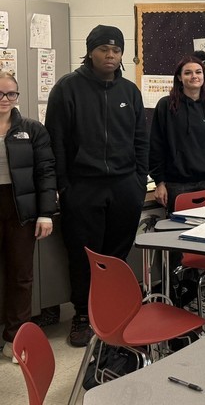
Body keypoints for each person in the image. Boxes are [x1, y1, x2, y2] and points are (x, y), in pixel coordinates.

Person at [45, 25, 148, 348]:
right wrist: (65, 186)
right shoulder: (67, 89)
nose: (110, 56)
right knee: (83, 256)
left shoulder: (130, 91)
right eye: (104, 49)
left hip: (124, 187)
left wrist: (137, 181)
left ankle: (111, 311)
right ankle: (82, 316)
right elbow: (56, 143)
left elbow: (141, 140)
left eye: (116, 51)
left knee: (116, 256)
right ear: (90, 52)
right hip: (83, 187)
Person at [0, 72, 57, 362]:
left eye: (11, 94)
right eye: (0, 94)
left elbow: (46, 172)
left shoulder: (32, 129)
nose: (5, 100)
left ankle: (15, 338)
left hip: (20, 208)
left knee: (21, 276)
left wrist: (46, 213)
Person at [149, 55, 205, 213]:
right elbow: (156, 145)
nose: (194, 76)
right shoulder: (166, 106)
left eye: (198, 72)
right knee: (178, 232)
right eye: (188, 73)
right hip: (177, 184)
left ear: (204, 76)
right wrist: (159, 182)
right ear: (179, 77)